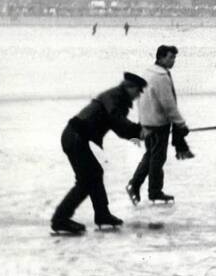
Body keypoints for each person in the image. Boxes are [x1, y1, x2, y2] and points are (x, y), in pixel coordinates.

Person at [52, 72, 147, 234]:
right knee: (86, 180)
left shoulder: (117, 98)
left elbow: (120, 128)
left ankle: (102, 215)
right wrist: (139, 131)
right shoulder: (114, 97)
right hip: (75, 137)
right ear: (129, 87)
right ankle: (60, 219)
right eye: (138, 91)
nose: (138, 96)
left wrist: (138, 132)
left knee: (94, 174)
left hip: (77, 137)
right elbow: (117, 122)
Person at [127, 45, 189, 206]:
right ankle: (154, 191)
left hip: (147, 120)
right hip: (157, 122)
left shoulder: (149, 72)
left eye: (174, 58)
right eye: (170, 57)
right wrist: (180, 124)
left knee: (151, 155)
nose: (173, 61)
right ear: (160, 58)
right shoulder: (160, 76)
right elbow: (168, 104)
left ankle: (134, 185)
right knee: (157, 157)